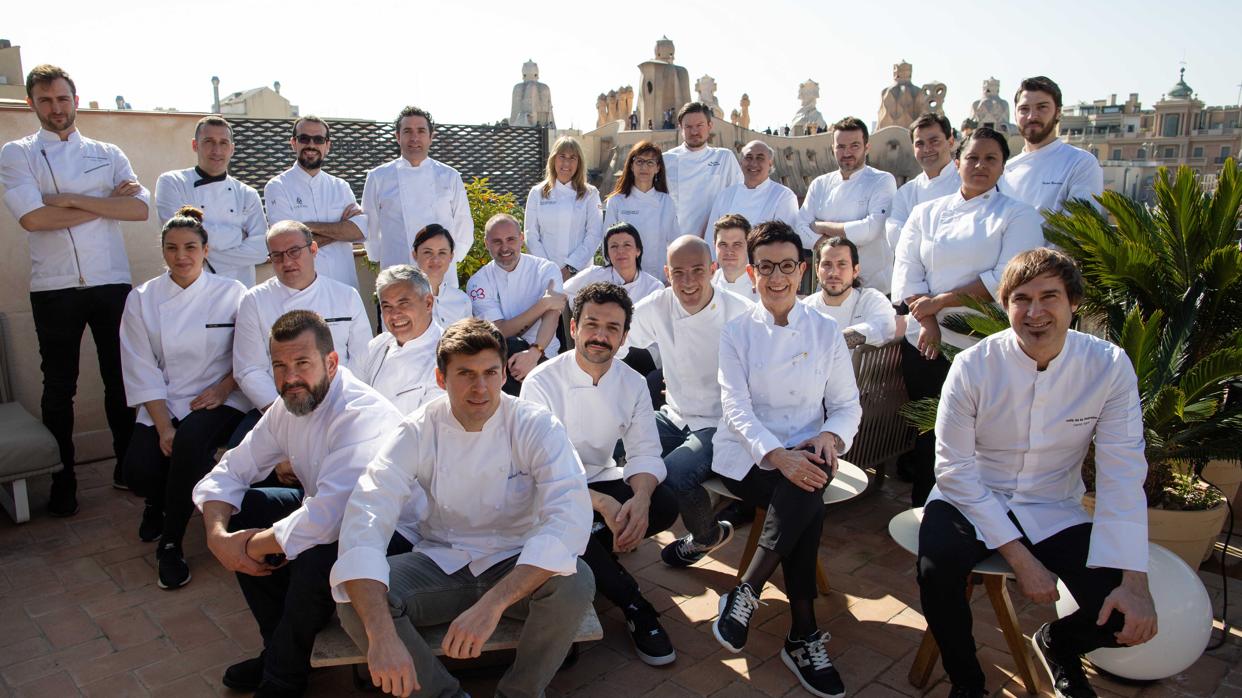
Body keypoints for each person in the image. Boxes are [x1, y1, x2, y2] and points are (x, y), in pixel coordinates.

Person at [917, 248, 1156, 698]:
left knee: (1126, 618)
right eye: (1021, 299)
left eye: (1050, 296)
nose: (1035, 311)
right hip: (969, 498)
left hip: (1054, 505)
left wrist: (1135, 581)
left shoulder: (1108, 366)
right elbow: (952, 469)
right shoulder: (973, 366)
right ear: (1005, 306)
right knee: (936, 570)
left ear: (1074, 303)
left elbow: (1123, 471)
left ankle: (1060, 645)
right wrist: (1021, 559)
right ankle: (967, 682)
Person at [330, 318, 595, 698]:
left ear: (505, 374)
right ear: (441, 379)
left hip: (515, 557)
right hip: (441, 559)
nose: (480, 387)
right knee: (356, 603)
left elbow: (568, 516)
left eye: (490, 372)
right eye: (465, 374)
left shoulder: (536, 425)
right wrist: (381, 634)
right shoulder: (417, 430)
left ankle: (518, 693)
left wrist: (492, 605)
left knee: (575, 582)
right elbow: (368, 511)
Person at [193, 310, 404, 696]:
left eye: (302, 363)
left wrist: (245, 547)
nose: (290, 378)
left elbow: (329, 518)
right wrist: (218, 536)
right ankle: (280, 648)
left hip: (398, 535)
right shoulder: (289, 404)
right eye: (279, 366)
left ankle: (283, 674)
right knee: (252, 506)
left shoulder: (360, 413)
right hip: (332, 516)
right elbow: (231, 470)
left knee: (318, 550)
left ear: (331, 362)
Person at [710, 221, 860, 698]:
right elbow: (736, 409)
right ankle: (801, 636)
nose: (778, 278)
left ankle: (748, 593)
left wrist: (831, 438)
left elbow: (846, 405)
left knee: (805, 482)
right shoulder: (735, 333)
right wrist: (779, 454)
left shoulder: (826, 331)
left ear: (803, 271)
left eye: (788, 267)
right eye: (767, 267)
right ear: (752, 273)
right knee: (803, 491)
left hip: (811, 450)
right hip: (750, 456)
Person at [0, 64, 148, 513]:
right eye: (45, 100)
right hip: (54, 286)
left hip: (110, 280)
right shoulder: (17, 153)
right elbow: (33, 219)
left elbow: (139, 209)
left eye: (62, 99)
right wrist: (106, 204)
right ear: (31, 104)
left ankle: (128, 468)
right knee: (58, 387)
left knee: (120, 380)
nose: (55, 108)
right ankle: (63, 480)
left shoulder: (107, 150)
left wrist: (69, 199)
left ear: (76, 100)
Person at [521, 283, 679, 666]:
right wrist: (601, 503)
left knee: (663, 502)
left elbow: (644, 452)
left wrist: (639, 501)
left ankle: (590, 548)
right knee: (568, 524)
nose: (600, 336)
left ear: (625, 337)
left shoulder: (632, 383)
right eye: (592, 324)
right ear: (573, 328)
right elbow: (540, 470)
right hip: (547, 491)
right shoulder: (540, 384)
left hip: (601, 477)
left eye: (612, 328)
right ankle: (634, 603)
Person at [891, 127, 1045, 506]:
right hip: (925, 345)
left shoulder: (1018, 215)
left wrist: (940, 302)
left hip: (984, 343)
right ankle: (925, 508)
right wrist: (927, 320)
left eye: (991, 159)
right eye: (972, 158)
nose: (980, 165)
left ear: (1003, 167)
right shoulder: (925, 213)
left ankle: (976, 510)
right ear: (957, 162)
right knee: (931, 432)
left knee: (979, 435)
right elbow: (907, 269)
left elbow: (1006, 278)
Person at [119, 206, 248, 589]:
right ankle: (156, 501)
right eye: (172, 248)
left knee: (190, 442)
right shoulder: (141, 299)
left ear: (206, 250)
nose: (182, 256)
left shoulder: (232, 293)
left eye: (191, 247)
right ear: (163, 252)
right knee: (138, 471)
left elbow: (247, 355)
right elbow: (140, 366)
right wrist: (161, 426)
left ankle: (171, 543)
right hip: (166, 398)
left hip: (220, 396)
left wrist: (223, 388)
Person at [621, 236, 752, 567]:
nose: (689, 281)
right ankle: (622, 528)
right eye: (679, 273)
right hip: (675, 414)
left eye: (697, 270)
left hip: (720, 422)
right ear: (667, 273)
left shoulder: (741, 313)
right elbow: (619, 337)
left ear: (712, 269)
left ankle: (708, 536)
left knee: (677, 473)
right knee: (616, 443)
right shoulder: (657, 306)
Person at [234, 221, 372, 412]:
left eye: (294, 251)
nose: (287, 262)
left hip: (340, 401)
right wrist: (283, 412)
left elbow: (362, 357)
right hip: (279, 404)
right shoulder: (254, 300)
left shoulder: (346, 296)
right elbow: (248, 369)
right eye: (277, 255)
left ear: (313, 249)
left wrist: (343, 400)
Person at [362, 106, 473, 284]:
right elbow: (370, 223)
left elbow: (463, 221)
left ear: (431, 137)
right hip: (396, 269)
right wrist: (375, 255)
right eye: (407, 131)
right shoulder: (378, 177)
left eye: (421, 131)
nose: (414, 138)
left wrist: (453, 257)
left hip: (441, 271)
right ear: (398, 137)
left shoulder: (450, 176)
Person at [155, 115, 269, 286]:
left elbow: (261, 251)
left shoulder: (248, 194)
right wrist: (237, 235)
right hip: (189, 287)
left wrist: (203, 253)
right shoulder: (172, 182)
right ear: (195, 145)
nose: (216, 150)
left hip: (238, 288)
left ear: (232, 148)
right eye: (209, 141)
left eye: (223, 143)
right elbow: (179, 235)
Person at [264, 116, 368, 291]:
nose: (311, 145)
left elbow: (360, 230)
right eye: (304, 138)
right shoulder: (277, 186)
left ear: (327, 146)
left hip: (344, 285)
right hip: (302, 290)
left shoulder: (340, 186)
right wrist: (341, 230)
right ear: (293, 143)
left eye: (318, 139)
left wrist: (306, 227)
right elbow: (288, 244)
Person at [466, 214, 566, 394]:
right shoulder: (478, 282)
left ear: (521, 239)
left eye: (511, 239)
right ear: (486, 243)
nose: (504, 247)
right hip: (504, 361)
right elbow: (499, 331)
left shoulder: (545, 269)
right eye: (497, 241)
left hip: (544, 354)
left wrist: (534, 353)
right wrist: (543, 305)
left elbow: (552, 317)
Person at [798, 117, 897, 295]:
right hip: (827, 289)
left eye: (854, 146)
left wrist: (822, 226)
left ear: (867, 147)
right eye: (841, 147)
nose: (847, 152)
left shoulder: (882, 180)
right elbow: (800, 228)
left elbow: (870, 230)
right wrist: (829, 248)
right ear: (833, 149)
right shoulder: (820, 184)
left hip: (873, 289)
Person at [1000, 76, 1104, 215]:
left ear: (1058, 113)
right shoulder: (1004, 171)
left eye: (1042, 107)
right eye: (1024, 109)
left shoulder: (1080, 163)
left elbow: (1081, 227)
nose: (1032, 116)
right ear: (1015, 115)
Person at [359, 265, 444, 415]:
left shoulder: (447, 355)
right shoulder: (378, 345)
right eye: (387, 307)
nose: (395, 314)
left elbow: (428, 425)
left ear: (428, 303)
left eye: (403, 304)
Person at [523, 136, 603, 281]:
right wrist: (549, 269)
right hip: (545, 275)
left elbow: (594, 235)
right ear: (553, 160)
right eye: (562, 156)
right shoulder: (537, 193)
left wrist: (571, 267)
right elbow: (531, 235)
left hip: (580, 274)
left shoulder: (590, 194)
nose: (566, 162)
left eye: (573, 157)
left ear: (579, 163)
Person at [663, 102, 743, 239]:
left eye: (699, 125)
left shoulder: (724, 157)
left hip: (714, 242)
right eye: (688, 127)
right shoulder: (666, 159)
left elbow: (738, 198)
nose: (694, 132)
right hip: (676, 243)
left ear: (709, 125)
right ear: (680, 128)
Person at [801, 236, 896, 350]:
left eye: (842, 264)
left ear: (855, 270)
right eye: (827, 264)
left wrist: (838, 339)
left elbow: (884, 327)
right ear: (817, 270)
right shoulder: (806, 308)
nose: (834, 272)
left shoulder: (871, 300)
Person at [885, 113, 960, 255]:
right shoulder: (906, 192)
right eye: (920, 144)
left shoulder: (968, 185)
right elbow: (894, 235)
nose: (927, 149)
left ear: (950, 142)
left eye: (934, 141)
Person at [705, 141, 802, 250]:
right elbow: (710, 237)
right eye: (749, 157)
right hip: (725, 264)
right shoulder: (725, 195)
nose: (753, 163)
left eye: (760, 158)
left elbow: (784, 241)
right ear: (741, 162)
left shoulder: (783, 196)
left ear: (770, 163)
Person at [604, 140, 679, 282]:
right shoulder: (616, 202)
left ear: (658, 168)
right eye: (639, 161)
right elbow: (607, 243)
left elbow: (675, 242)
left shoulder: (666, 202)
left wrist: (672, 278)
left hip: (658, 279)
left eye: (650, 162)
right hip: (623, 280)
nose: (644, 167)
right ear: (631, 166)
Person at [564, 223, 664, 303]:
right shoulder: (593, 274)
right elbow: (563, 292)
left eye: (627, 245)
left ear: (638, 251)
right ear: (607, 253)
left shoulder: (654, 287)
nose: (620, 251)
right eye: (614, 246)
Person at [411, 223, 472, 328]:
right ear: (415, 255)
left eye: (442, 253)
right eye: (427, 252)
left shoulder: (462, 300)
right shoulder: (404, 298)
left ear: (451, 256)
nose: (435, 259)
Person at [711, 214, 757, 300]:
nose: (729, 251)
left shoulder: (762, 286)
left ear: (749, 246)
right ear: (714, 245)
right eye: (723, 244)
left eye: (737, 244)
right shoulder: (707, 285)